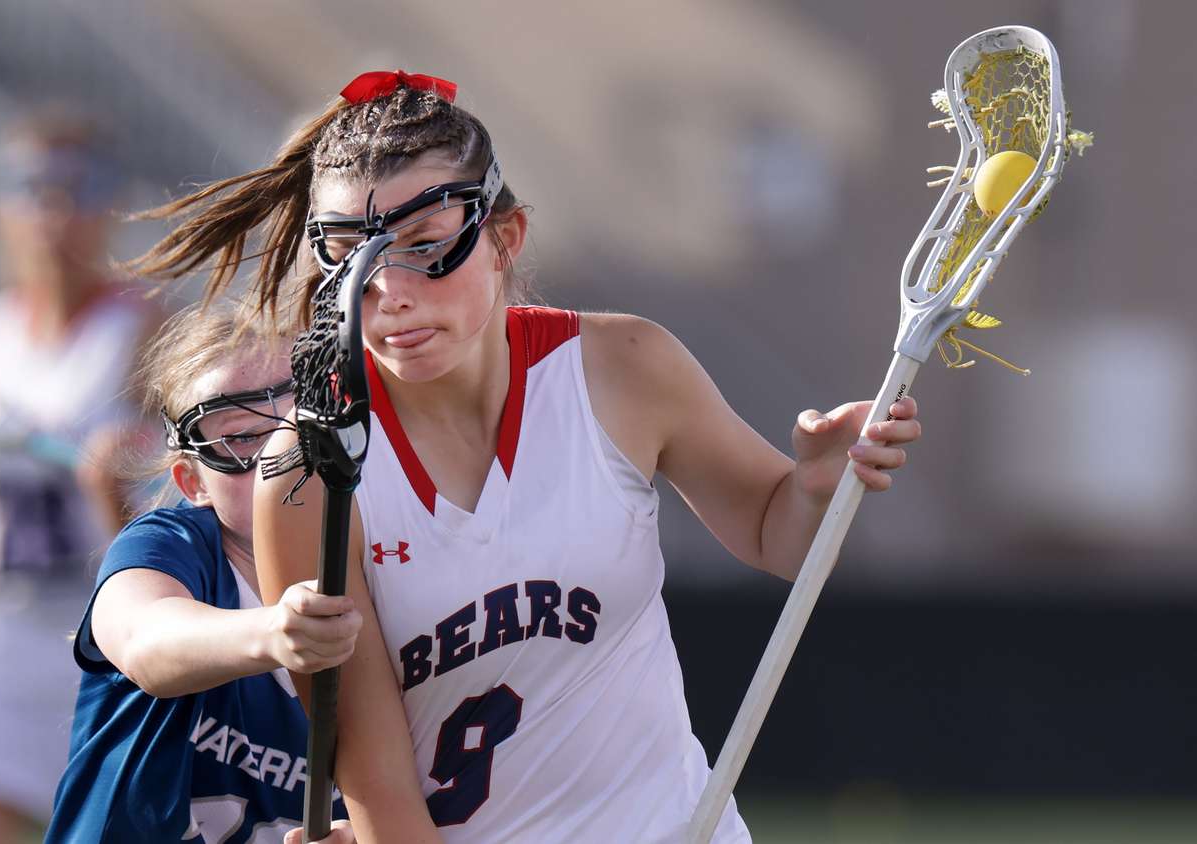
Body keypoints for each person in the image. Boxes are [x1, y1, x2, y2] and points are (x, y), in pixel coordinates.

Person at [131, 70, 923, 843]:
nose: (390, 293)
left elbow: (777, 536)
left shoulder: (625, 367)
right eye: (352, 258)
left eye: (425, 246)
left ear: (504, 237)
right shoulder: (309, 473)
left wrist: (817, 485)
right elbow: (374, 775)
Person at [45, 305, 356, 843]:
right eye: (241, 439)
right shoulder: (170, 545)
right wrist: (274, 631)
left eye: (304, 420)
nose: (285, 454)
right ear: (194, 484)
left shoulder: (389, 562)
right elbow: (145, 640)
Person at [0, 109, 154, 842]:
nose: (51, 211)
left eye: (77, 188)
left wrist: (118, 484)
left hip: (96, 640)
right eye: (30, 187)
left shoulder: (144, 329)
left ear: (108, 205)